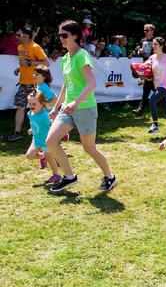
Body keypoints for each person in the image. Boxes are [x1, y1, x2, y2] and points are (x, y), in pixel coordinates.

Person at [45, 19, 116, 192]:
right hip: (68, 109)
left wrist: (76, 102)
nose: (61, 38)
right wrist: (56, 107)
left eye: (64, 35)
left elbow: (92, 83)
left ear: (75, 35)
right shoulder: (65, 59)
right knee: (51, 141)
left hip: (85, 108)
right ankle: (69, 176)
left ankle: (109, 176)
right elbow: (66, 84)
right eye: (59, 35)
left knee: (89, 148)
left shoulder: (81, 55)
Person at [3, 26, 49, 142]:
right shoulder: (20, 47)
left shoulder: (35, 47)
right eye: (16, 35)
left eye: (19, 35)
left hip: (35, 84)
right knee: (20, 107)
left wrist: (29, 62)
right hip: (23, 83)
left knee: (41, 108)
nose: (16, 37)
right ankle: (17, 133)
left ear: (26, 36)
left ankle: (49, 133)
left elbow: (46, 62)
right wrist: (19, 67)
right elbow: (22, 61)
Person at [25, 90, 61, 184]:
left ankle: (56, 174)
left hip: (46, 142)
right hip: (36, 140)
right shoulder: (30, 113)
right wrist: (32, 129)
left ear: (42, 104)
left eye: (34, 104)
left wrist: (61, 134)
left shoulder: (44, 115)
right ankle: (42, 156)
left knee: (50, 159)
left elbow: (52, 125)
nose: (31, 106)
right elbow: (35, 123)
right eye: (29, 103)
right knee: (29, 156)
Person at [132, 24, 156, 116]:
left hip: (154, 67)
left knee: (150, 87)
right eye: (144, 30)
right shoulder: (142, 40)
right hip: (146, 67)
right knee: (148, 87)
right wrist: (139, 51)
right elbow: (137, 49)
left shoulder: (156, 40)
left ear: (152, 31)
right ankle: (140, 109)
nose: (145, 31)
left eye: (147, 30)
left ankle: (140, 109)